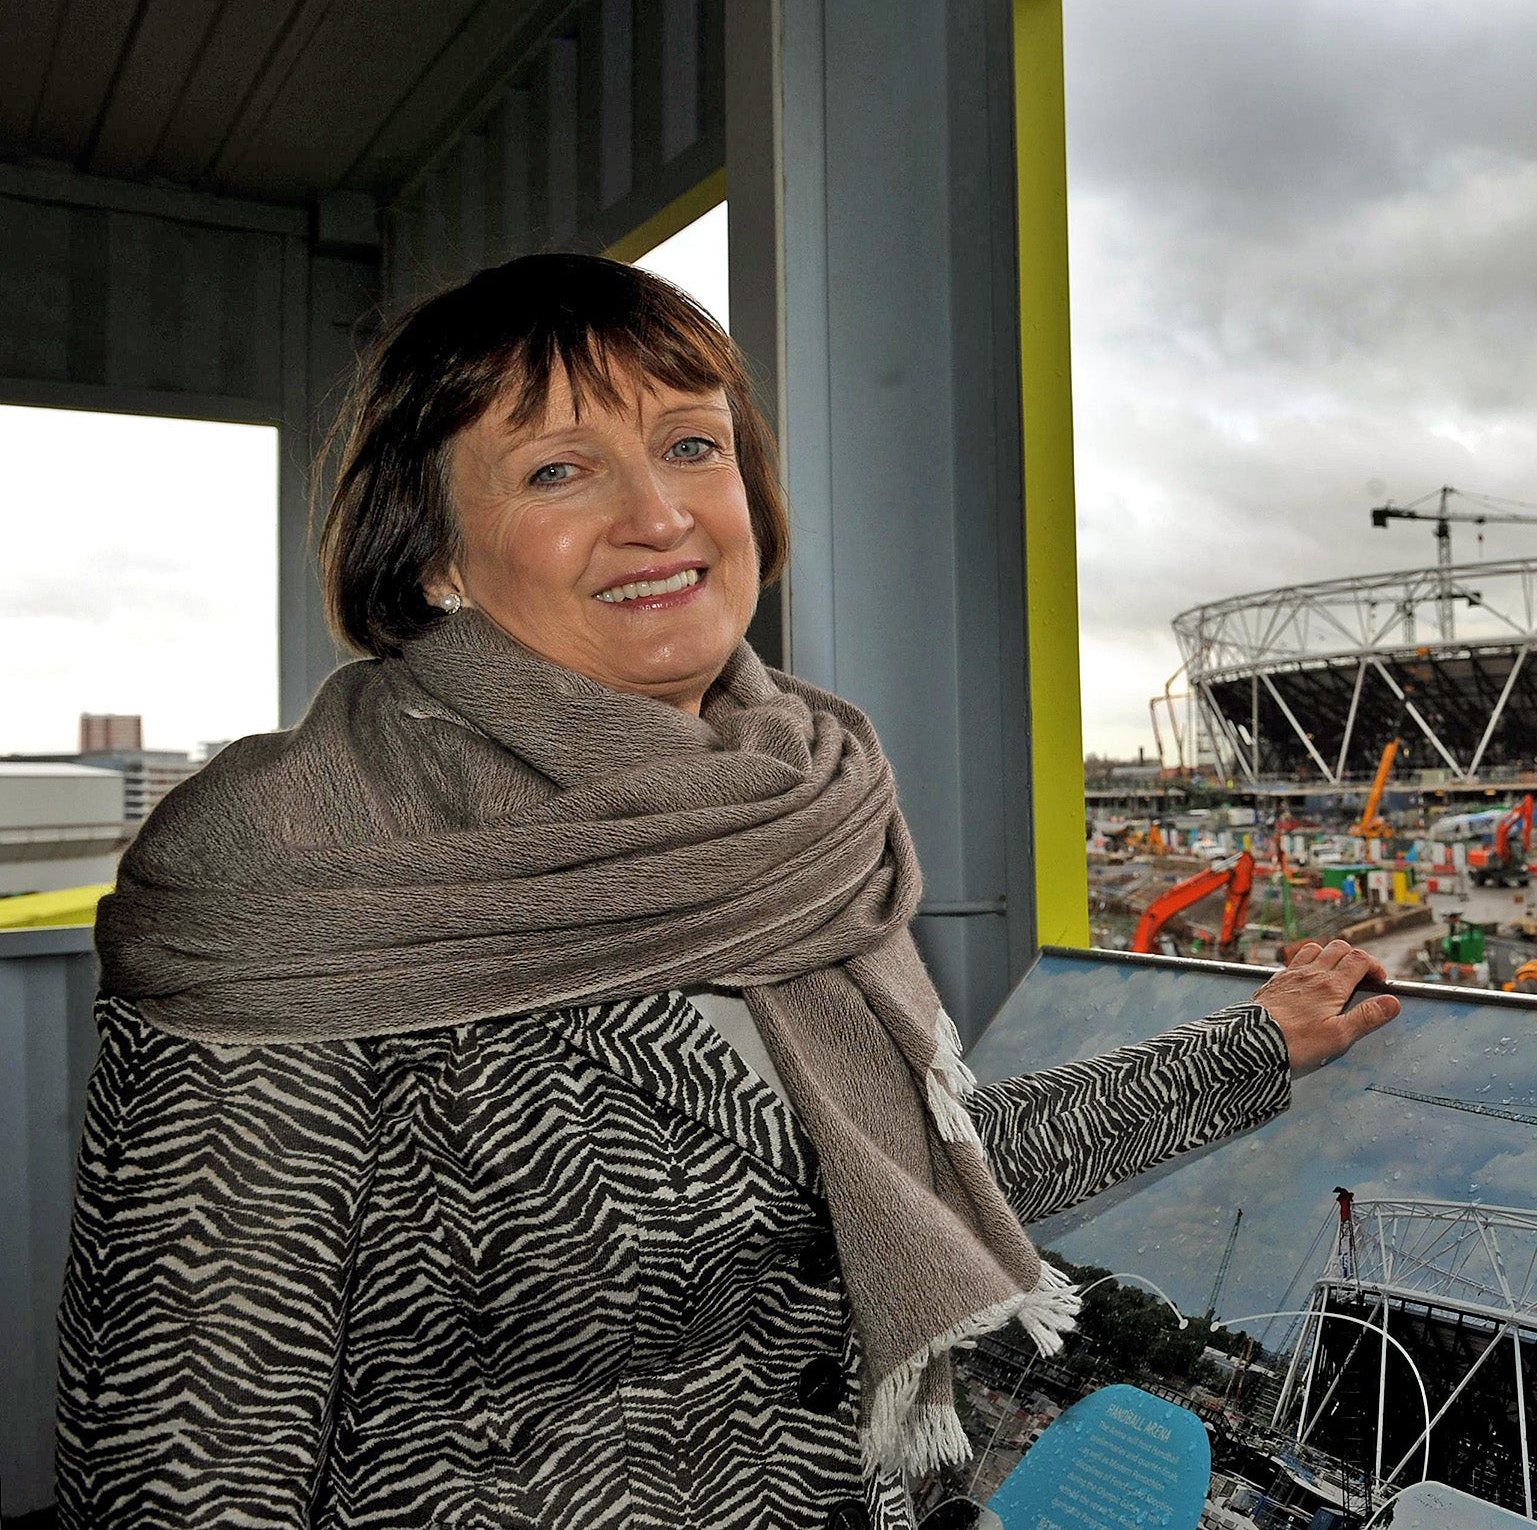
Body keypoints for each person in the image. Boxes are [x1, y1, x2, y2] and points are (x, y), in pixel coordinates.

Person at [56, 253, 1400, 1530]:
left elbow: (923, 1170)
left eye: (694, 446)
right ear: (436, 556)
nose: (660, 515)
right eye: (560, 469)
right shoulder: (295, 861)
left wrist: (1254, 1044)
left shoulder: (800, 805)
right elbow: (191, 1453)